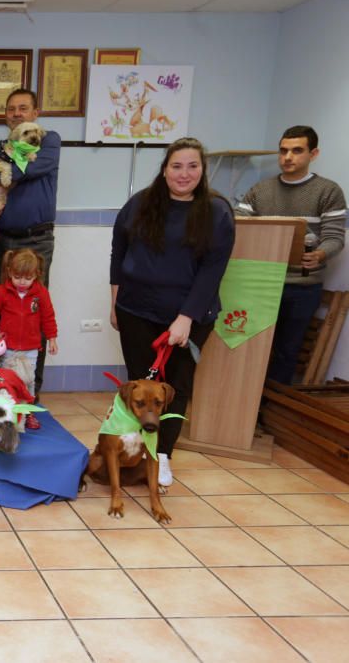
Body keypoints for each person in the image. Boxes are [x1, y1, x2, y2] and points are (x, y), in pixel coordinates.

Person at [110, 137, 235, 487]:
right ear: (165, 170)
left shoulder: (217, 212)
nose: (184, 173)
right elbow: (119, 251)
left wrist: (186, 318)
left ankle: (162, 456)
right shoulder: (140, 204)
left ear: (202, 170)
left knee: (173, 389)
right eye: (176, 166)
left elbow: (213, 270)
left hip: (189, 317)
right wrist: (115, 301)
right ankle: (136, 450)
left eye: (192, 166)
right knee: (140, 388)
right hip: (136, 309)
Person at [235, 125, 347, 384]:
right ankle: (247, 405)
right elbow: (237, 226)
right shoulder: (260, 191)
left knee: (286, 352)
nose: (288, 157)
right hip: (260, 283)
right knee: (250, 347)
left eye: (297, 151)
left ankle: (269, 411)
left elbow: (335, 238)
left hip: (301, 287)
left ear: (313, 153)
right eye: (283, 150)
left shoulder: (328, 191)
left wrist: (319, 254)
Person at [0, 89, 61, 401]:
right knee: (2, 314)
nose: (17, 114)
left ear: (35, 112)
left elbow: (34, 168)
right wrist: (4, 176)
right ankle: (2, 384)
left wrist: (9, 173)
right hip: (3, 240)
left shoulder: (49, 140)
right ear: (6, 116)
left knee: (34, 313)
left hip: (37, 240)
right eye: (11, 109)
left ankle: (31, 392)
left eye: (23, 108)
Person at [0, 249, 58, 430]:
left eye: (27, 278)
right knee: (6, 380)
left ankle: (28, 412)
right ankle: (6, 411)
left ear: (36, 275)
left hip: (31, 348)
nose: (22, 282)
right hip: (7, 348)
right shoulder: (2, 292)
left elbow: (48, 317)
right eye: (17, 277)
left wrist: (52, 338)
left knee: (28, 382)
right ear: (9, 272)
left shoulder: (41, 294)